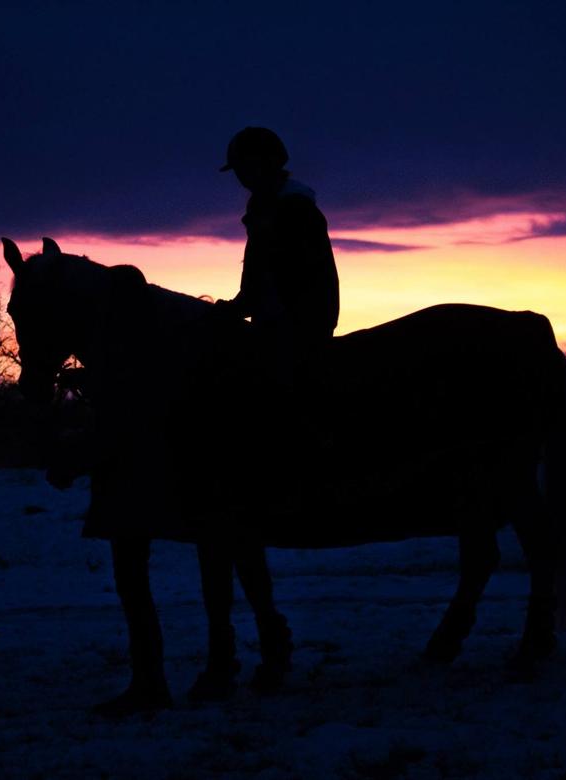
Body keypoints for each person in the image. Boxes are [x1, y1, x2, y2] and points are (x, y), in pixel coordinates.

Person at [190, 126, 340, 701]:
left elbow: (298, 281)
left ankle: (300, 460)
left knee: (275, 386)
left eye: (247, 166)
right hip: (274, 320)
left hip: (300, 326)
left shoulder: (293, 209)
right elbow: (257, 281)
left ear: (267, 162)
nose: (243, 178)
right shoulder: (265, 208)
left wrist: (275, 318)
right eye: (239, 169)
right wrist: (236, 308)